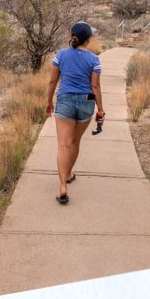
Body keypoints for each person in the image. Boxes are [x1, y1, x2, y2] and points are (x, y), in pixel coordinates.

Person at [46, 22, 105, 203]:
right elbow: (95, 86)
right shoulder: (94, 59)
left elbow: (53, 82)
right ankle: (69, 172)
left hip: (65, 100)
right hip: (86, 101)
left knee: (64, 145)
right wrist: (101, 110)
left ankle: (63, 185)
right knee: (75, 142)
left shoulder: (61, 55)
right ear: (88, 40)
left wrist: (49, 102)